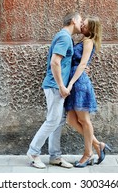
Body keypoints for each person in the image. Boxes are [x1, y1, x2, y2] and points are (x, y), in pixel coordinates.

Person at [27, 11, 83, 169]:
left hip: (57, 86)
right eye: (80, 21)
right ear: (73, 20)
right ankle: (33, 153)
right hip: (54, 86)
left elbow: (63, 63)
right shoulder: (64, 37)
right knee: (52, 120)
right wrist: (61, 86)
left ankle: (55, 156)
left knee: (58, 121)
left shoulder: (66, 38)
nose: (82, 24)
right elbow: (55, 62)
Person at [64, 16, 112, 167]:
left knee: (84, 120)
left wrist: (71, 83)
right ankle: (98, 145)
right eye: (82, 23)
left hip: (78, 83)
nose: (81, 26)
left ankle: (88, 153)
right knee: (71, 120)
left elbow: (83, 62)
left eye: (84, 25)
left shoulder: (88, 41)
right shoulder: (82, 40)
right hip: (74, 80)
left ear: (91, 29)